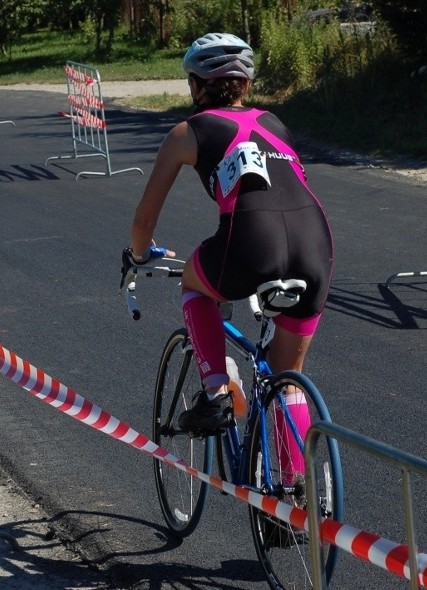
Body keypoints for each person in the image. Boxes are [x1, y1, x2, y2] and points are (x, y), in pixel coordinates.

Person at [126, 32, 334, 480]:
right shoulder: (276, 122)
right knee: (288, 374)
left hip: (250, 243)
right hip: (316, 243)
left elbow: (144, 223)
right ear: (244, 84)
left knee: (193, 284)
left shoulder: (187, 132)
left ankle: (217, 390)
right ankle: (292, 497)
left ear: (198, 86)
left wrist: (139, 256)